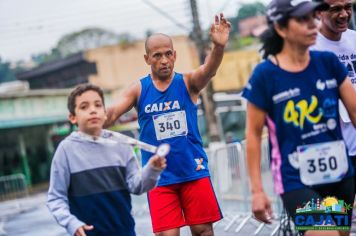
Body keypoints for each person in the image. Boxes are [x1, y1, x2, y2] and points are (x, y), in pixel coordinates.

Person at [104, 14, 230, 236]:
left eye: (168, 54)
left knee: (203, 231)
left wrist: (218, 48)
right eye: (157, 55)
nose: (164, 60)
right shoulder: (139, 89)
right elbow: (113, 112)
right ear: (147, 59)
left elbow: (208, 70)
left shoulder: (188, 82)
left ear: (175, 55)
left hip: (193, 170)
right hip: (159, 177)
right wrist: (92, 121)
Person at [242, 0, 356, 235]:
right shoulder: (265, 75)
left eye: (312, 18)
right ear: (282, 28)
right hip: (296, 180)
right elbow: (252, 136)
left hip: (340, 175)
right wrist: (257, 191)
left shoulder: (328, 62)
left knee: (340, 233)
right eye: (302, 20)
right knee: (324, 233)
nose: (312, 25)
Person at [47, 83, 166, 236]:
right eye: (84, 107)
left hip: (125, 232)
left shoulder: (122, 146)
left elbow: (136, 186)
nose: (92, 110)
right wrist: (71, 223)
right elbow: (55, 198)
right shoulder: (66, 150)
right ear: (72, 117)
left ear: (104, 113)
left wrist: (152, 169)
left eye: (98, 105)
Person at [312, 0, 356, 192]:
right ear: (318, 12)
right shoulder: (310, 48)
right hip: (332, 151)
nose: (345, 14)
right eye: (336, 9)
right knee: (337, 218)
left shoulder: (354, 39)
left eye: (348, 7)